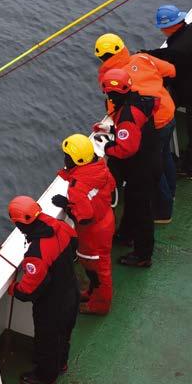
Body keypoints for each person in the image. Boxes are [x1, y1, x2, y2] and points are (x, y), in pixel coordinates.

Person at [95, 32, 176, 222]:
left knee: (154, 168)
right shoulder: (142, 58)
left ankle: (163, 212)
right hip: (168, 112)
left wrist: (110, 131)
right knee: (165, 157)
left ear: (100, 57)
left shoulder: (111, 77)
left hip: (151, 124)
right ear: (122, 48)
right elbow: (171, 70)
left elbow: (118, 109)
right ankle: (171, 194)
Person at [7, 195, 79, 384]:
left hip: (53, 305)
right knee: (64, 333)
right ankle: (61, 364)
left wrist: (14, 289)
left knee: (48, 338)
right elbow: (74, 242)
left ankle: (46, 377)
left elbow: (29, 290)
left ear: (19, 224)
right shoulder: (60, 226)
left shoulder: (36, 254)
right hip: (71, 291)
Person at [96, 68, 160, 267]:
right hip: (148, 159)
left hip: (141, 167)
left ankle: (142, 255)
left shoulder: (128, 116)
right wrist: (112, 129)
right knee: (134, 202)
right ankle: (126, 235)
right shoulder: (136, 103)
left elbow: (126, 149)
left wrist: (107, 146)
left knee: (141, 209)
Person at [52, 134, 116, 315]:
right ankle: (92, 293)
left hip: (92, 234)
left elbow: (85, 217)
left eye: (67, 157)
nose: (65, 159)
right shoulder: (99, 165)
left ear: (76, 160)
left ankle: (100, 305)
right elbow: (110, 185)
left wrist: (66, 205)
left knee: (98, 271)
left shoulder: (77, 188)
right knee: (98, 268)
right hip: (106, 221)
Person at [141, 5, 192, 180]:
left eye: (162, 27)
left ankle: (189, 168)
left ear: (169, 26)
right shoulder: (189, 30)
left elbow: (170, 56)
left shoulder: (179, 49)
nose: (161, 30)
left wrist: (146, 55)